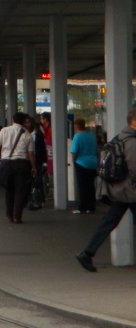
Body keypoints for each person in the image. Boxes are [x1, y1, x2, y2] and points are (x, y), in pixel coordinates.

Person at [76, 108, 136, 272]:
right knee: (109, 221)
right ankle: (87, 253)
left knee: (109, 222)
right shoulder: (132, 142)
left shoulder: (120, 137)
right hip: (130, 190)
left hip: (120, 189)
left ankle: (87, 253)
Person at [0, 112, 36, 224]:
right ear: (23, 121)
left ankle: (9, 215)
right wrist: (33, 167)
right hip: (22, 164)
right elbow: (31, 153)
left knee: (9, 190)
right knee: (20, 191)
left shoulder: (5, 130)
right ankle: (17, 216)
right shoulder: (27, 134)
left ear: (13, 119)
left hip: (7, 163)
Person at [71, 117, 98, 215]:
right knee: (90, 186)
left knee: (82, 186)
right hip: (92, 163)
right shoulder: (91, 135)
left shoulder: (77, 136)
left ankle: (82, 207)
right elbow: (96, 150)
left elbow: (74, 152)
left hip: (81, 163)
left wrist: (73, 161)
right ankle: (91, 207)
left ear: (76, 126)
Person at [40, 112, 54, 177]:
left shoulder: (50, 129)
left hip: (49, 149)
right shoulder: (44, 128)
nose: (40, 120)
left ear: (45, 119)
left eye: (41, 119)